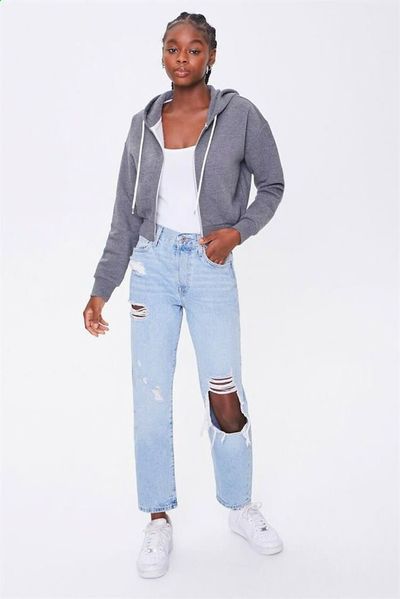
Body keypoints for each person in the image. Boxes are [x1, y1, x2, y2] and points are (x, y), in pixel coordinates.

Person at [83, 11, 285, 579]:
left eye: (194, 49)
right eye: (172, 47)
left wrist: (237, 233)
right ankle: (157, 518)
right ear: (163, 53)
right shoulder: (142, 125)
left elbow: (272, 184)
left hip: (210, 263)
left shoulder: (239, 115)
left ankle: (240, 506)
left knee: (225, 392)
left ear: (211, 57)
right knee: (150, 398)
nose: (182, 57)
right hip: (151, 266)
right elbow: (125, 215)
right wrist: (101, 288)